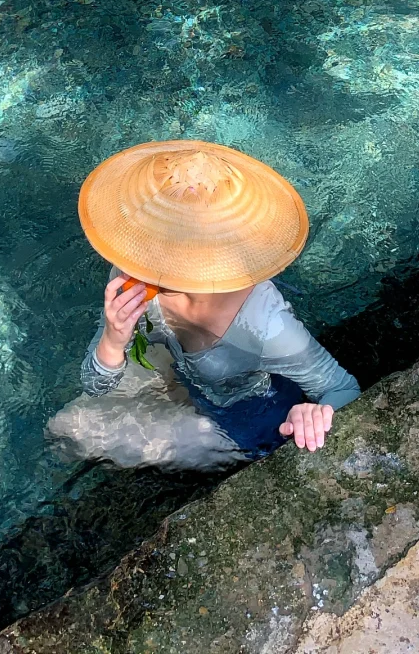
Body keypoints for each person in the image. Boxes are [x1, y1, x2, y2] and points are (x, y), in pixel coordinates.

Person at [70, 139, 360, 463]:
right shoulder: (131, 269)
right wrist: (113, 339)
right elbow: (96, 386)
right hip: (193, 383)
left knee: (74, 436)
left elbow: (344, 389)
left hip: (252, 414)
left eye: (155, 248)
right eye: (144, 239)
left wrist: (317, 413)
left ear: (205, 254)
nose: (140, 261)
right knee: (68, 429)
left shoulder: (266, 327)